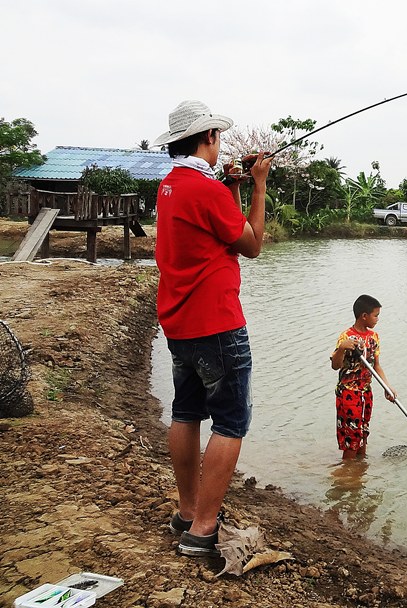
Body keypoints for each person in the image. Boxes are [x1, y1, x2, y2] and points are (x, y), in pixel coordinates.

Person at [152, 99, 272, 557]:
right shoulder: (206, 191)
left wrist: (234, 188)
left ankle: (187, 512)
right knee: (230, 421)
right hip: (217, 324)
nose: (220, 144)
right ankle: (203, 529)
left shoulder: (172, 185)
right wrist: (258, 186)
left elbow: (226, 230)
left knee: (186, 411)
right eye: (217, 137)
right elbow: (253, 244)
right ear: (207, 138)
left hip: (179, 322)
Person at [329, 295, 397, 459]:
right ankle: (347, 477)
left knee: (363, 434)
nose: (377, 319)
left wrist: (387, 387)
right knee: (352, 437)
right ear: (364, 316)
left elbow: (376, 366)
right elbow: (335, 365)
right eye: (376, 315)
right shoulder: (346, 337)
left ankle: (359, 474)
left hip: (366, 392)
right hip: (349, 393)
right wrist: (341, 349)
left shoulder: (374, 337)